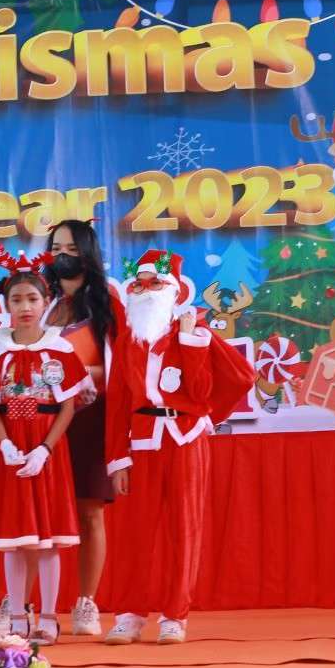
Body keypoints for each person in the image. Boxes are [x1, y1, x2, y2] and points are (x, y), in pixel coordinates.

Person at [103, 249, 254, 644]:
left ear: (173, 290)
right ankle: (130, 614)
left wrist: (190, 345)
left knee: (184, 530)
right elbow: (117, 402)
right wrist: (117, 458)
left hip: (185, 439)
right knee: (135, 532)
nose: (146, 290)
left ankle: (175, 615)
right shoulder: (128, 341)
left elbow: (221, 384)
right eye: (139, 284)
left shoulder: (195, 333)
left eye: (155, 283)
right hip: (143, 442)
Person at [0, 247, 85, 644]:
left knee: (47, 540)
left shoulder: (60, 349)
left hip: (46, 450)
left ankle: (50, 616)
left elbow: (68, 406)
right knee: (15, 541)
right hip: (11, 451)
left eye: (32, 299)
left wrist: (45, 449)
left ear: (46, 301)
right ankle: (18, 617)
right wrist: (5, 443)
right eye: (17, 300)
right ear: (5, 304)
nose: (25, 307)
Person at [43, 219, 124, 635]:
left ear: (88, 253)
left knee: (89, 512)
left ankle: (86, 603)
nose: (63, 255)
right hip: (40, 420)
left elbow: (121, 368)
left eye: (72, 249)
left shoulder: (106, 304)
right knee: (36, 515)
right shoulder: (40, 300)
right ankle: (29, 607)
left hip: (89, 417)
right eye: (57, 247)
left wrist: (76, 377)